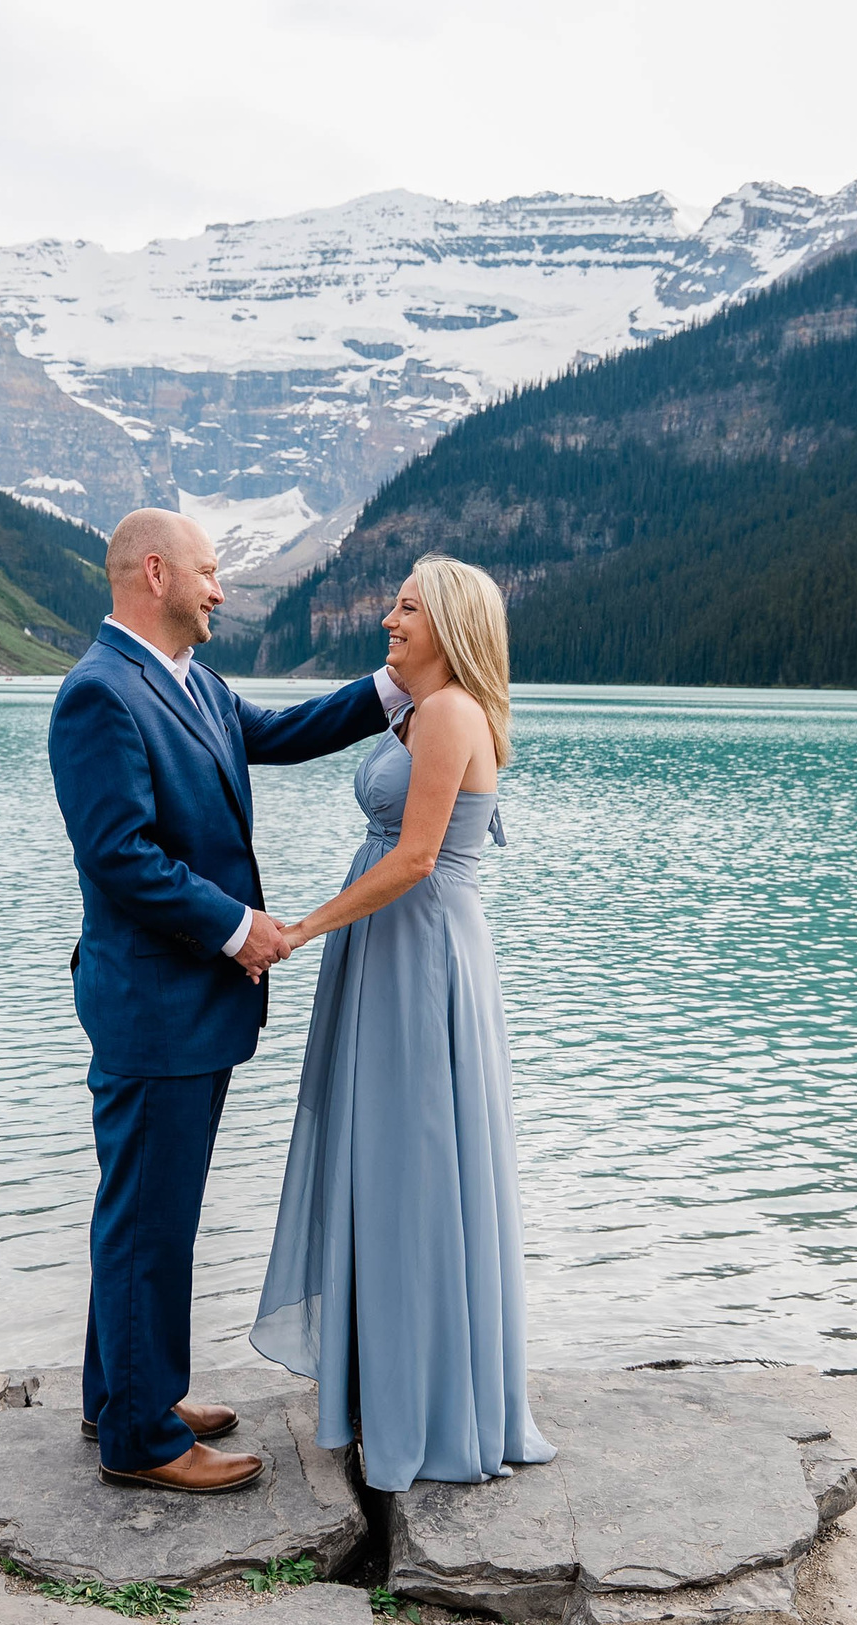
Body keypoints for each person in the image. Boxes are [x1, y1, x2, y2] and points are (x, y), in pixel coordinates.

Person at [47, 509, 412, 1493]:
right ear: (155, 573)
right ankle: (142, 1441)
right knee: (147, 1219)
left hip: (183, 1003)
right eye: (209, 575)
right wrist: (235, 925)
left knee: (146, 1210)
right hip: (150, 998)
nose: (221, 591)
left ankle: (123, 1395)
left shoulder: (191, 684)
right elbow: (118, 857)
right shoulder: (98, 695)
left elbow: (282, 732)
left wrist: (396, 687)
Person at [250, 554, 554, 1492]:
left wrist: (302, 927)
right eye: (393, 604)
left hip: (418, 955)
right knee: (383, 1160)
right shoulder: (418, 709)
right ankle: (386, 1383)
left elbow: (419, 857)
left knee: (416, 1164)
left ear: (451, 623)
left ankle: (425, 1404)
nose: (389, 618)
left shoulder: (453, 712)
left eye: (408, 608)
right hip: (391, 951)